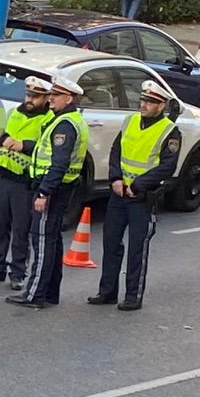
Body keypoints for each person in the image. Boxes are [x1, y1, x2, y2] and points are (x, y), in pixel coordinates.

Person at [90, 82, 181, 310]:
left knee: (137, 249)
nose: (143, 105)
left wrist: (139, 185)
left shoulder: (169, 131)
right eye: (142, 100)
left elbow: (167, 166)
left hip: (143, 198)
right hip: (119, 194)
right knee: (111, 242)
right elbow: (116, 151)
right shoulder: (130, 121)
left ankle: (133, 296)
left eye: (150, 102)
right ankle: (107, 292)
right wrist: (115, 178)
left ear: (161, 105)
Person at [0, 75, 53, 284]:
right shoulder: (14, 113)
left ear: (47, 98)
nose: (30, 99)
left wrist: (23, 145)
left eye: (35, 96)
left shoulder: (48, 120)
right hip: (4, 177)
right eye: (28, 95)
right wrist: (4, 139)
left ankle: (18, 273)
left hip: (24, 182)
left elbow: (47, 148)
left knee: (21, 230)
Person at [18, 81, 90, 307]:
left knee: (42, 241)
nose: (51, 98)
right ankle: (50, 293)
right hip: (60, 187)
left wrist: (44, 193)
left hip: (52, 189)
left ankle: (35, 295)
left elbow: (59, 163)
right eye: (52, 94)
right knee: (52, 240)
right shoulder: (67, 119)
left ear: (69, 98)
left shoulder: (65, 124)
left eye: (57, 95)